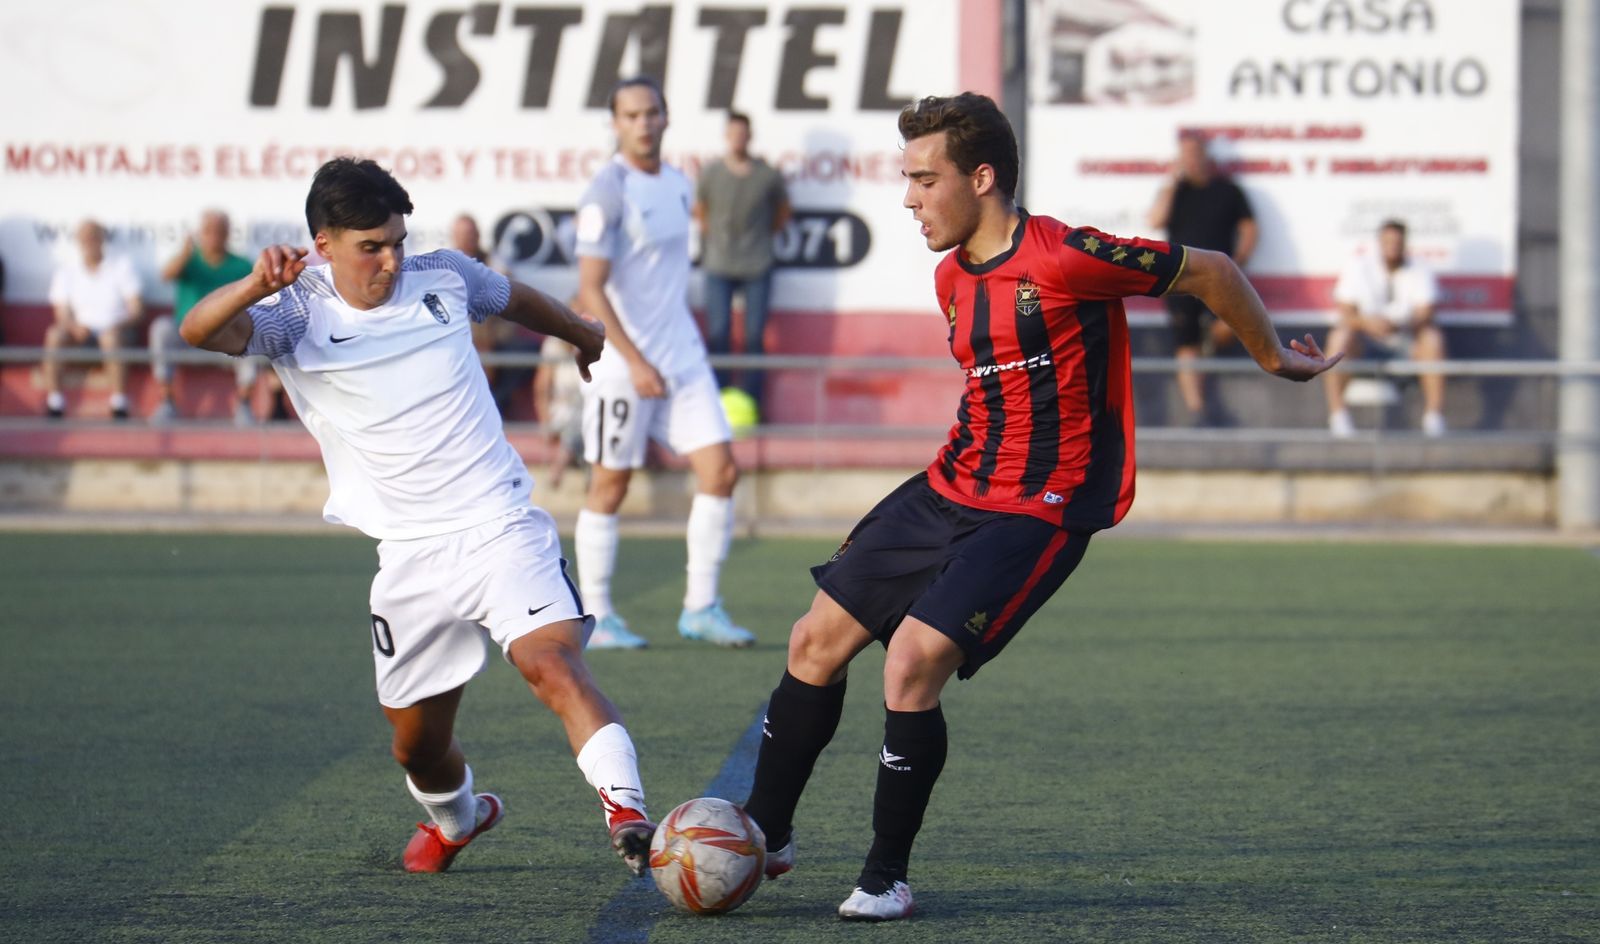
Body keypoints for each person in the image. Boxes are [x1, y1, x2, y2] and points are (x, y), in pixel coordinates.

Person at [739, 92, 1340, 921]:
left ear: (982, 178)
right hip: (948, 486)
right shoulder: (950, 275)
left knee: (911, 663)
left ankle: (885, 875)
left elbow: (1211, 270)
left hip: (1040, 507)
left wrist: (1271, 356)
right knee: (813, 640)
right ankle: (764, 832)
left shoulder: (1065, 256)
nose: (908, 197)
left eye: (923, 178)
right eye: (906, 178)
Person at [178, 157, 657, 878]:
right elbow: (196, 330)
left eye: (397, 239)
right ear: (324, 243)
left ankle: (629, 816)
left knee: (550, 662)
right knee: (417, 748)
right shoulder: (297, 312)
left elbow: (516, 298)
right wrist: (253, 284)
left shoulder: (444, 274)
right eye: (371, 246)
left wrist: (583, 335)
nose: (391, 258)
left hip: (499, 522)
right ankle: (460, 818)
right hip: (408, 555)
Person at [572, 76, 753, 650]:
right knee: (611, 485)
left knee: (721, 471)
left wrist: (664, 355)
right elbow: (591, 291)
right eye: (631, 115)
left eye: (652, 112)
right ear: (616, 124)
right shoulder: (606, 192)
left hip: (681, 355)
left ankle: (701, 608)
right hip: (623, 365)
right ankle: (595, 615)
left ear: (666, 118)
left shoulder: (679, 183)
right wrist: (635, 359)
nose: (644, 123)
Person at [1146, 131, 1257, 423]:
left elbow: (1249, 229)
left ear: (1207, 156)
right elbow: (1156, 220)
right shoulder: (1175, 191)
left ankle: (1213, 346)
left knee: (1228, 328)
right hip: (1180, 278)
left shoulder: (1228, 191)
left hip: (1219, 277)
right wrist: (1171, 182)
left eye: (1195, 154)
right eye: (1185, 155)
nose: (1191, 161)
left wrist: (1239, 263)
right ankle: (1197, 411)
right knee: (1187, 344)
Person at [693, 111, 792, 414]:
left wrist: (762, 236)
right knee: (719, 334)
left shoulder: (767, 174)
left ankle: (752, 404)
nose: (738, 138)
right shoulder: (711, 173)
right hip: (718, 264)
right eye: (733, 132)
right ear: (727, 135)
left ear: (750, 136)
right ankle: (718, 403)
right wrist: (717, 239)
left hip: (757, 264)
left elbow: (782, 211)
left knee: (753, 337)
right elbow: (700, 210)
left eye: (742, 133)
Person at [1322, 219, 1448, 437]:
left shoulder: (1420, 268)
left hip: (1405, 340)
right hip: (1365, 341)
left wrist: (1399, 324)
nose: (1393, 246)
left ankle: (1434, 417)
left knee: (1432, 339)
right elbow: (1345, 310)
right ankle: (1338, 416)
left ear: (1405, 243)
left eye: (1397, 242)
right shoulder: (1359, 266)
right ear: (1379, 242)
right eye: (1388, 241)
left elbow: (1426, 311)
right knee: (1339, 338)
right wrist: (1368, 324)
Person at [151, 210, 258, 424]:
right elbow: (166, 275)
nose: (213, 236)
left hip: (224, 338)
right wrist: (184, 253)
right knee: (161, 329)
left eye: (219, 231)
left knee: (256, 335)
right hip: (186, 334)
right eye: (208, 231)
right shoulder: (189, 261)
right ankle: (167, 401)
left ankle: (244, 404)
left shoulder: (241, 265)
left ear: (227, 234)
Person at [42, 220, 145, 420]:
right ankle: (55, 402)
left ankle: (119, 404)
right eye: (85, 238)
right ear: (78, 241)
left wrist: (117, 326)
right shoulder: (67, 270)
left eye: (94, 237)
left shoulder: (121, 266)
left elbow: (137, 309)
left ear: (102, 239)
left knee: (110, 339)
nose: (89, 242)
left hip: (117, 331)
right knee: (54, 335)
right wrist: (72, 327)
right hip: (81, 333)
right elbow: (61, 311)